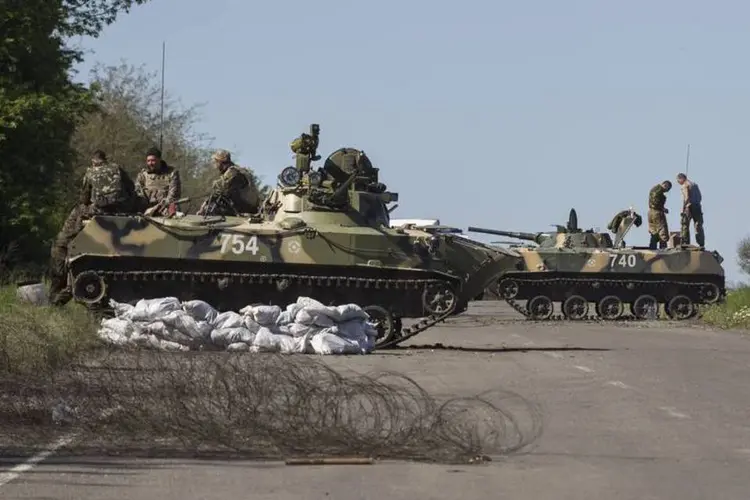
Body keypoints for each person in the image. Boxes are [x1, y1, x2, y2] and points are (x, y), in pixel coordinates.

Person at [48, 150, 138, 306]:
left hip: (99, 211)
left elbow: (84, 198)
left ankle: (57, 292)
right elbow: (131, 189)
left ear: (93, 161)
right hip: (122, 210)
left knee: (65, 237)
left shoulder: (90, 172)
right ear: (106, 159)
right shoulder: (117, 168)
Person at [198, 149, 260, 216]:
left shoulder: (233, 172)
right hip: (250, 208)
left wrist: (203, 206)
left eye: (215, 162)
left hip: (245, 209)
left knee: (210, 209)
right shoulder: (238, 170)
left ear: (220, 162)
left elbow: (218, 189)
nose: (215, 165)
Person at [135, 146, 181, 216]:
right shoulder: (142, 175)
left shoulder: (172, 173)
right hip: (146, 211)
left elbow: (173, 195)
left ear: (159, 160)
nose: (150, 163)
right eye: (148, 161)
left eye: (153, 160)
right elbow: (138, 193)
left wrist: (161, 206)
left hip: (166, 211)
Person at [676, 172, 704, 247]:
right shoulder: (694, 184)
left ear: (681, 178)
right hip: (697, 206)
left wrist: (684, 208)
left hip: (689, 207)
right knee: (698, 225)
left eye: (678, 181)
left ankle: (685, 243)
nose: (678, 183)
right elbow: (700, 197)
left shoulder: (685, 185)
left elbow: (687, 197)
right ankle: (701, 243)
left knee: (684, 224)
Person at [647, 180, 671, 249]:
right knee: (662, 231)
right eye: (667, 189)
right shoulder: (658, 191)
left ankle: (652, 249)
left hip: (650, 212)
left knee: (653, 232)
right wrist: (663, 209)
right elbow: (655, 203)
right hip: (657, 213)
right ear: (665, 185)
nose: (667, 191)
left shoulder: (654, 189)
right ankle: (663, 251)